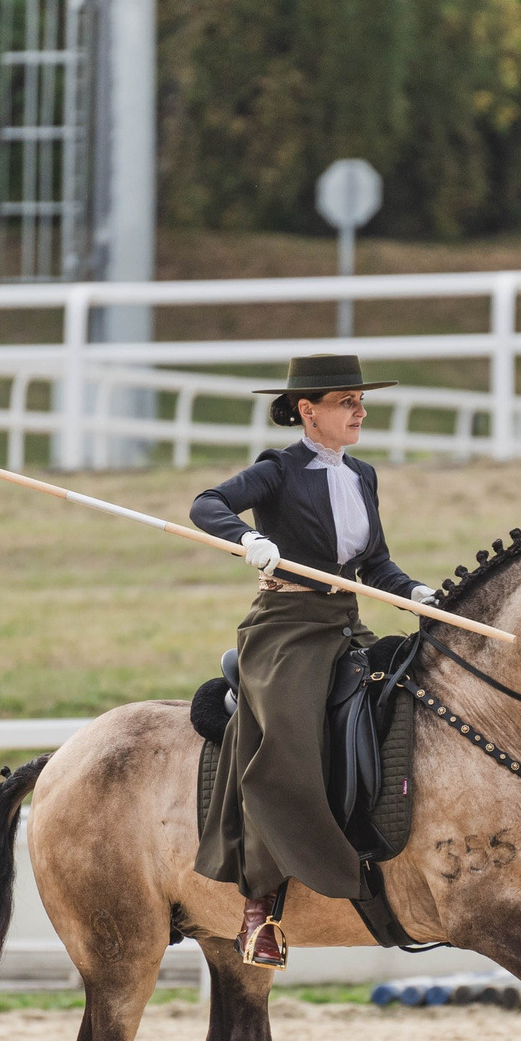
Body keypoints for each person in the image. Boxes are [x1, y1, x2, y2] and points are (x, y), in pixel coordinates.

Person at [190, 354, 437, 968]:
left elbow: (375, 565)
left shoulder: (364, 475)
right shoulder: (279, 469)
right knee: (287, 745)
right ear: (308, 411)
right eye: (345, 400)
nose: (359, 410)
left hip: (344, 623)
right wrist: (247, 539)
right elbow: (206, 505)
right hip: (285, 629)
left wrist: (420, 596)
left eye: (360, 399)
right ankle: (259, 908)